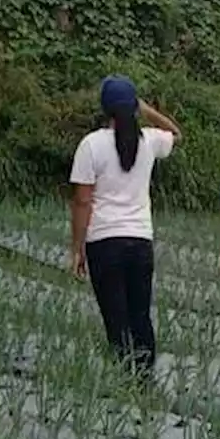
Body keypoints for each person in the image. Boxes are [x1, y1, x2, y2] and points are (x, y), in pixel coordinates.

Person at [69, 77, 181, 379]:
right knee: (140, 314)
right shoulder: (149, 141)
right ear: (133, 107)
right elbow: (176, 133)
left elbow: (82, 201)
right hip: (140, 241)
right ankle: (145, 378)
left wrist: (77, 247)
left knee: (116, 317)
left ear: (104, 108)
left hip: (104, 242)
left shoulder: (91, 145)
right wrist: (146, 111)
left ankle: (124, 378)